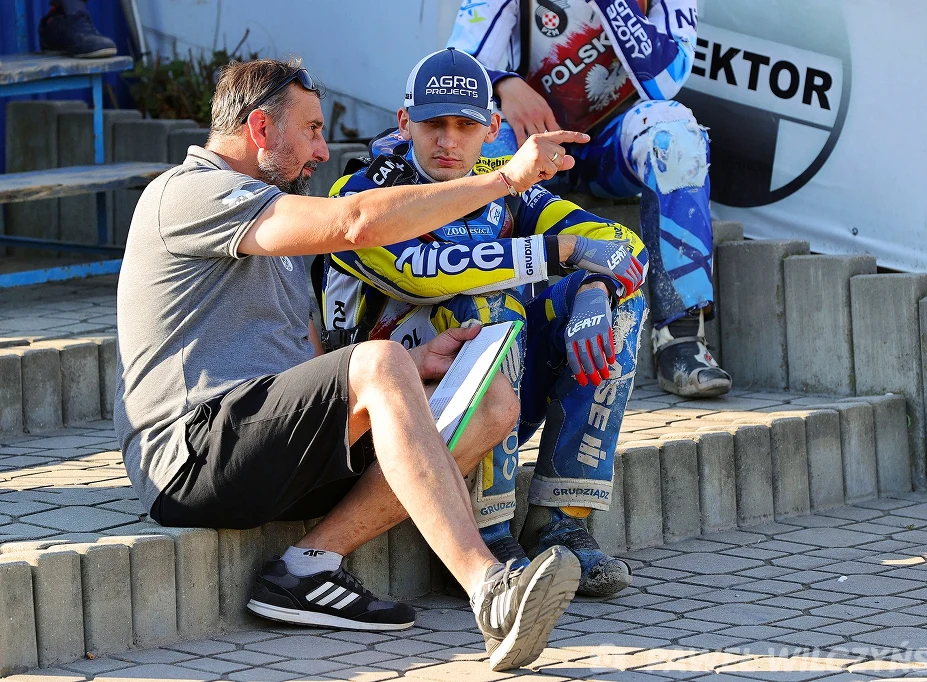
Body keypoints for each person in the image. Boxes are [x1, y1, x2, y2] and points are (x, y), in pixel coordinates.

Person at [114, 57, 591, 672]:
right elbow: (358, 221)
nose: (322, 149)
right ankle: (490, 589)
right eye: (312, 130)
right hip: (192, 456)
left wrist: (415, 365)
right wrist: (505, 181)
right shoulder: (189, 192)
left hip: (269, 454)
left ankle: (304, 568)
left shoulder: (273, 213)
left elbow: (310, 360)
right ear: (261, 129)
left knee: (490, 400)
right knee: (379, 360)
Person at [317, 48, 648, 598]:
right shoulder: (360, 194)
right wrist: (561, 251)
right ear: (405, 123)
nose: (448, 141)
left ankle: (559, 521)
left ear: (492, 128)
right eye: (433, 124)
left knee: (616, 304)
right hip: (378, 426)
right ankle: (486, 534)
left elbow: (621, 246)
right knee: (488, 304)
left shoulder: (501, 184)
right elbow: (423, 273)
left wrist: (595, 285)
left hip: (482, 401)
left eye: (465, 125)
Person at [447, 0, 732, 399]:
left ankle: (680, 338)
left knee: (677, 132)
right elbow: (459, 64)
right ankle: (480, 329)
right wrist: (504, 84)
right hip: (532, 143)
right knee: (478, 137)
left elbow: (666, 79)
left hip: (609, 150)